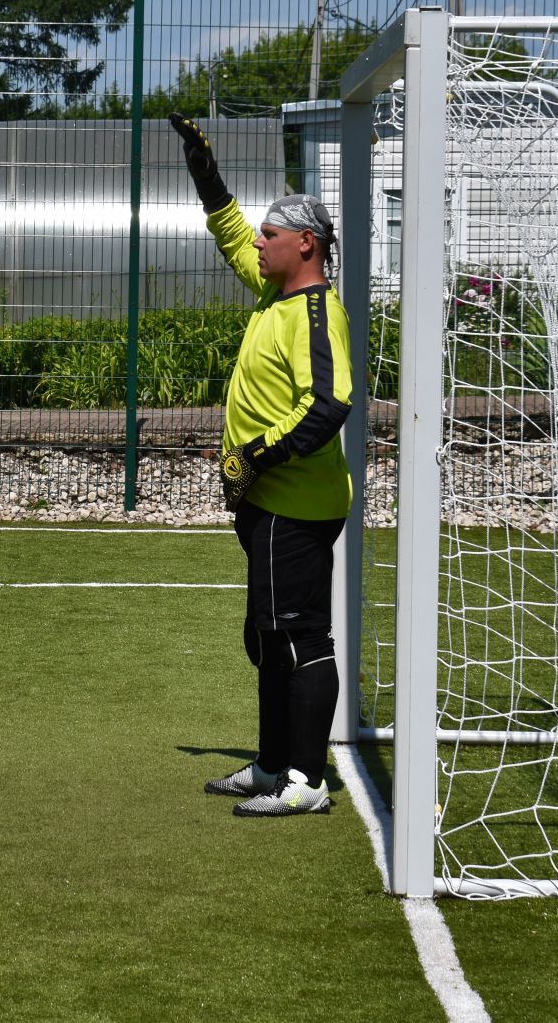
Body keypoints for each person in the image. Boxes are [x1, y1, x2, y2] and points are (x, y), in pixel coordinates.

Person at [169, 112, 355, 818]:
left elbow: (328, 405)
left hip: (295, 502)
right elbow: (228, 235)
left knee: (298, 634)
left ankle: (306, 782)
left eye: (271, 235)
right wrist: (204, 172)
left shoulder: (314, 314)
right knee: (265, 634)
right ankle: (272, 762)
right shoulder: (272, 291)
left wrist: (254, 457)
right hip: (265, 500)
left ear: (305, 243)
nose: (259, 242)